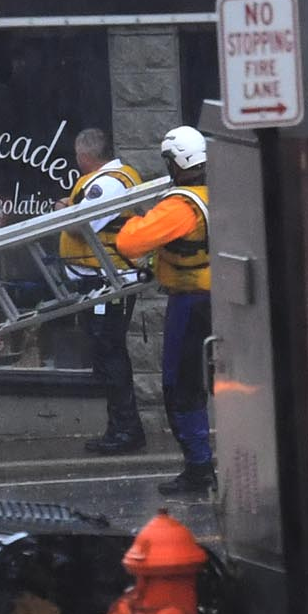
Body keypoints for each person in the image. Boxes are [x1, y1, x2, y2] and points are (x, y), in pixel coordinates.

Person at [107, 125, 214, 497]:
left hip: (191, 304)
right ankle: (200, 464)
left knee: (180, 385)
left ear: (176, 162)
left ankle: (200, 468)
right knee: (198, 383)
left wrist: (137, 219)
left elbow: (130, 241)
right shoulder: (215, 193)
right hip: (213, 299)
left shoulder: (180, 205)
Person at [58, 127, 147, 455]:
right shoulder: (114, 179)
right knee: (109, 354)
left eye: (77, 156)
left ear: (85, 156)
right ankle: (121, 427)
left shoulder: (107, 183)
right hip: (102, 280)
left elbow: (78, 225)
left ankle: (126, 431)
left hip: (108, 282)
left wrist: (61, 208)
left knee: (111, 355)